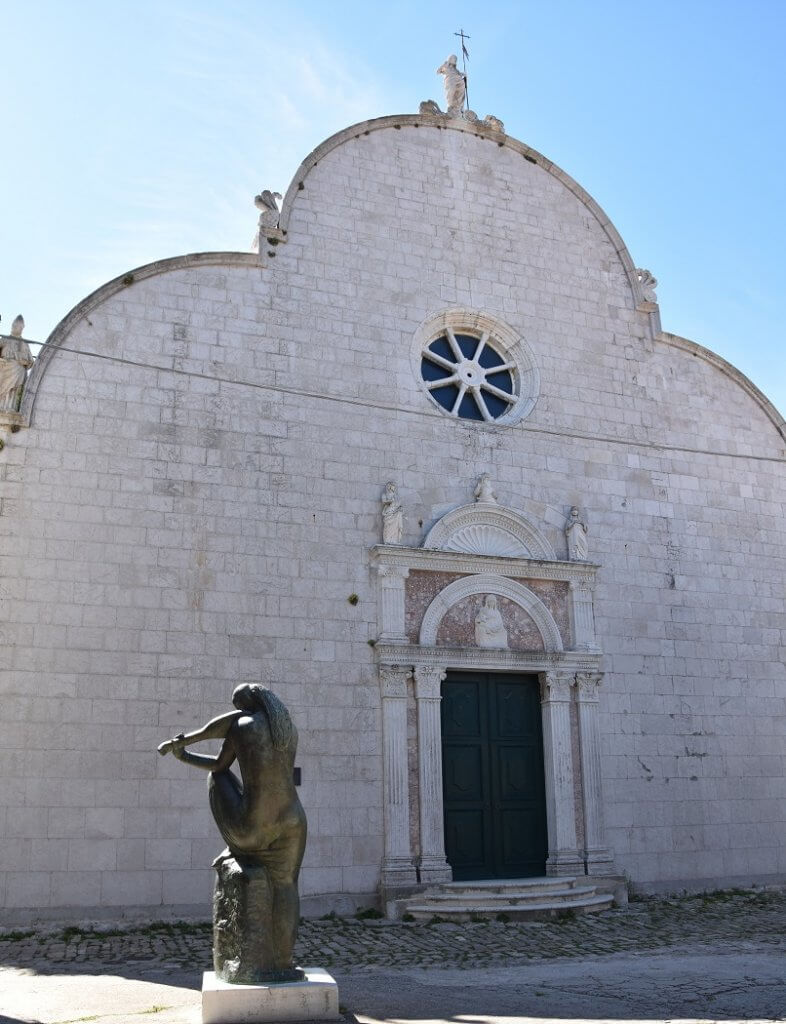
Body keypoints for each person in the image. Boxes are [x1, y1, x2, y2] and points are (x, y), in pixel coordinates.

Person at [158, 684, 306, 979]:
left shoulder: (239, 725)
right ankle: (285, 962)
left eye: (237, 704)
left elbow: (215, 756)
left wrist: (182, 753)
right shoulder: (286, 728)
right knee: (287, 886)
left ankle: (237, 850)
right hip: (293, 823)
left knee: (218, 776)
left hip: (254, 829)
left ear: (244, 705)